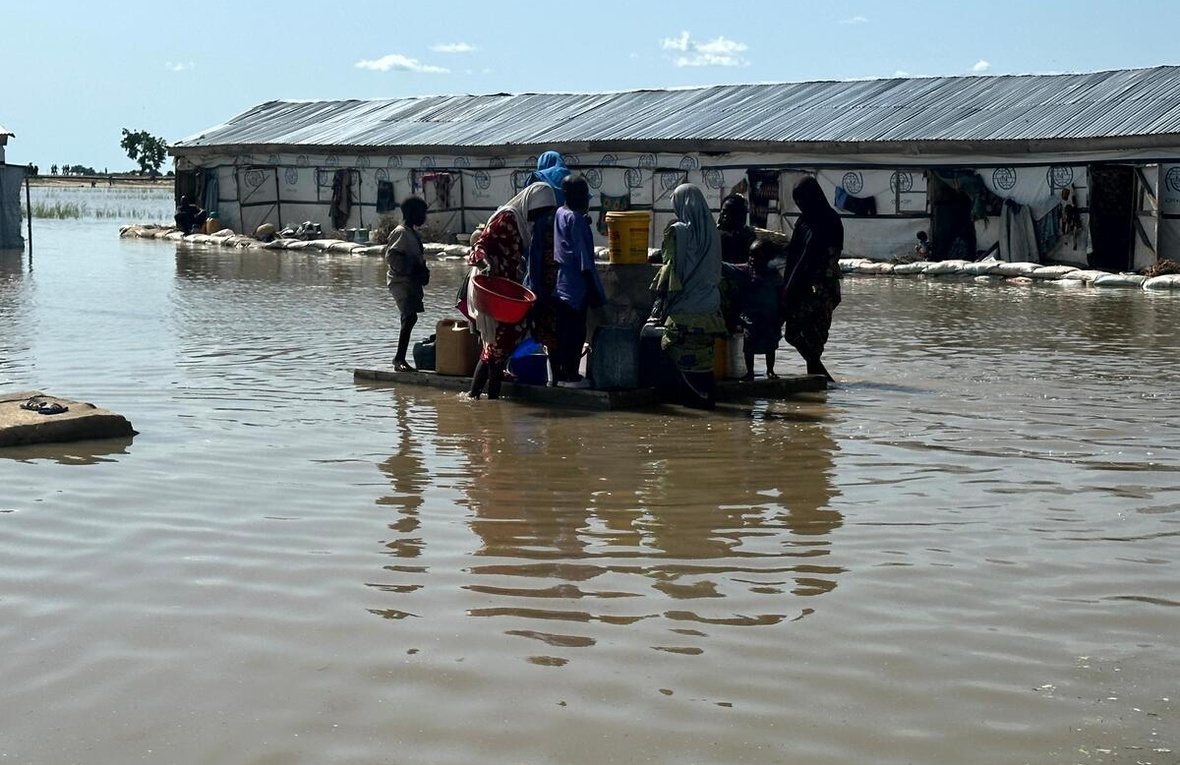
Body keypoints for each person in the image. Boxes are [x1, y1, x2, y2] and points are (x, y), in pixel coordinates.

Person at [465, 182, 557, 400]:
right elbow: (481, 244)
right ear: (532, 204)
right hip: (492, 290)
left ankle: (477, 398)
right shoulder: (507, 218)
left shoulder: (522, 222)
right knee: (498, 345)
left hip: (509, 292)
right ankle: (489, 400)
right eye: (540, 212)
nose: (540, 218)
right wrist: (485, 263)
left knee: (496, 347)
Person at [649, 183, 727, 409]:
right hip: (711, 308)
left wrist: (659, 304)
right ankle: (707, 401)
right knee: (704, 359)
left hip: (686, 308)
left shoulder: (678, 232)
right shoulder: (714, 232)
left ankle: (697, 403)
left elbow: (670, 271)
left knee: (682, 357)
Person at [781, 176, 843, 382]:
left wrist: (788, 290)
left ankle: (820, 384)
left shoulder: (828, 221)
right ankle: (819, 384)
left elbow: (808, 257)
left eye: (802, 200)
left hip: (819, 288)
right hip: (803, 286)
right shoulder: (805, 221)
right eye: (796, 201)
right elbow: (794, 255)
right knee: (793, 333)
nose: (799, 205)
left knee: (812, 338)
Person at [552, 175, 605, 386]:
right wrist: (594, 292)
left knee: (562, 333)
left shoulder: (560, 213)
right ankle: (573, 376)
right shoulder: (576, 219)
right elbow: (584, 261)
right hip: (576, 286)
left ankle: (559, 377)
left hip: (561, 283)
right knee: (576, 333)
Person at [523, 151, 571, 359]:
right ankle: (563, 369)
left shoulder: (537, 180)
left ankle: (549, 368)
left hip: (541, 253)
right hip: (564, 261)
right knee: (562, 319)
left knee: (539, 312)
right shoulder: (568, 180)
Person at [385, 196, 430, 372]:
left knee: (410, 317)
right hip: (401, 282)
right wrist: (414, 269)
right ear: (411, 213)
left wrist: (423, 272)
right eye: (422, 213)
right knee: (409, 317)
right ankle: (399, 359)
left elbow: (417, 258)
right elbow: (393, 258)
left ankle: (400, 358)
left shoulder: (411, 233)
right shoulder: (400, 232)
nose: (424, 217)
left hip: (410, 281)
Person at [738, 239, 783, 381]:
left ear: (768, 258)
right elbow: (728, 268)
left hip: (770, 316)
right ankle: (749, 372)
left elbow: (782, 295)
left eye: (757, 256)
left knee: (771, 345)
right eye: (750, 255)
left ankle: (770, 370)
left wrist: (782, 315)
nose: (752, 259)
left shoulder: (774, 275)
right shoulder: (745, 271)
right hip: (750, 316)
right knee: (748, 344)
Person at [717, 193, 757, 264]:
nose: (725, 216)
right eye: (724, 212)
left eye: (730, 212)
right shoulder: (715, 235)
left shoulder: (748, 236)